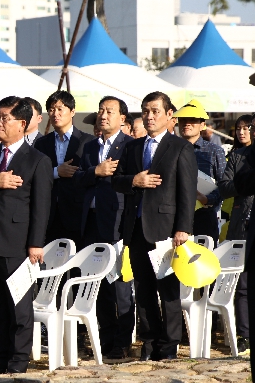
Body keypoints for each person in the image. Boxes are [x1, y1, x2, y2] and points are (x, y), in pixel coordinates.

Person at [0, 96, 52, 375]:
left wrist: (36, 243)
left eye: (5, 118)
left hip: (17, 243)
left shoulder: (37, 159)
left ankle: (18, 361)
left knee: (19, 308)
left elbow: (41, 205)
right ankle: (1, 358)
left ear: (22, 124)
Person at [112, 91, 197, 361]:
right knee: (144, 290)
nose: (149, 116)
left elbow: (187, 191)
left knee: (168, 290)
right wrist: (133, 181)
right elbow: (116, 180)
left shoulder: (179, 147)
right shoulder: (133, 146)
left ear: (169, 115)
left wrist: (182, 228)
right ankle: (149, 343)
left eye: (155, 111)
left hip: (166, 230)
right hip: (136, 229)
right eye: (146, 111)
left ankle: (169, 345)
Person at [75, 96, 135, 360]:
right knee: (96, 283)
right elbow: (77, 178)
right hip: (90, 222)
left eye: (109, 111)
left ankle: (123, 342)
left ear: (122, 118)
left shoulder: (131, 146)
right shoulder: (88, 146)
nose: (103, 115)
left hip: (118, 223)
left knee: (120, 284)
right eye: (101, 110)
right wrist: (96, 172)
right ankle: (105, 338)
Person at [35, 90, 94, 247]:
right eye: (52, 110)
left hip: (79, 212)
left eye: (60, 109)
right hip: (49, 213)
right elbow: (35, 174)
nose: (55, 114)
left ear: (72, 111)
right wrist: (56, 172)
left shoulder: (88, 141)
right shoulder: (41, 143)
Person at [218, 114, 254, 356]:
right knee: (242, 284)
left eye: (247, 127)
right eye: (238, 128)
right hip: (242, 223)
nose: (242, 132)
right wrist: (246, 183)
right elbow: (225, 186)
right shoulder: (237, 156)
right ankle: (245, 335)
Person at [173, 100, 226, 243]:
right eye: (183, 120)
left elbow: (224, 184)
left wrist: (207, 199)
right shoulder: (170, 149)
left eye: (193, 120)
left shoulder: (215, 151)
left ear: (203, 125)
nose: (187, 123)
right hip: (173, 216)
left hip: (204, 215)